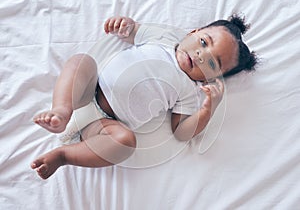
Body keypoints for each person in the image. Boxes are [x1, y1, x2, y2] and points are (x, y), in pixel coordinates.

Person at [31, 14, 257, 179]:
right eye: (204, 42)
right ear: (193, 32)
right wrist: (124, 24)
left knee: (126, 142)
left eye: (211, 63)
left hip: (107, 125)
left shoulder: (190, 92)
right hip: (91, 88)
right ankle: (61, 110)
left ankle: (63, 156)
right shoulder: (163, 38)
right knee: (81, 62)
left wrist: (208, 109)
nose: (200, 55)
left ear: (211, 78)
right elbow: (132, 31)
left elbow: (182, 132)